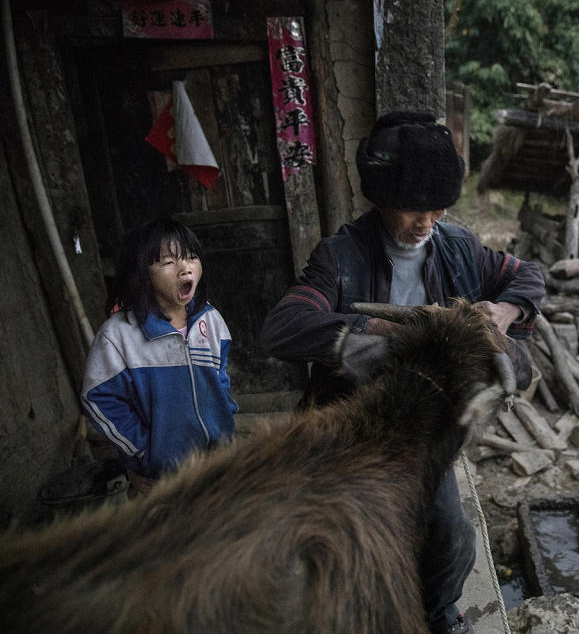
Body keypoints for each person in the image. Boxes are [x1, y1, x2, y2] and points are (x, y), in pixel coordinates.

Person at [261, 111, 545, 634]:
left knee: (452, 538)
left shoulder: (458, 248)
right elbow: (283, 327)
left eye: (438, 208)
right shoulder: (339, 257)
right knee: (340, 546)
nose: (426, 222)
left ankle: (438, 615)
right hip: (352, 426)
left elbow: (528, 275)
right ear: (381, 199)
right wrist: (375, 333)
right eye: (415, 209)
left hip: (423, 427)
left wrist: (506, 311)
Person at [81, 218, 238, 493]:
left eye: (191, 257)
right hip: (162, 478)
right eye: (168, 262)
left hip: (220, 463)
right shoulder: (119, 336)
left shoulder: (211, 321)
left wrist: (227, 422)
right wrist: (143, 453)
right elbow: (98, 399)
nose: (184, 268)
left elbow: (221, 380)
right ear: (142, 274)